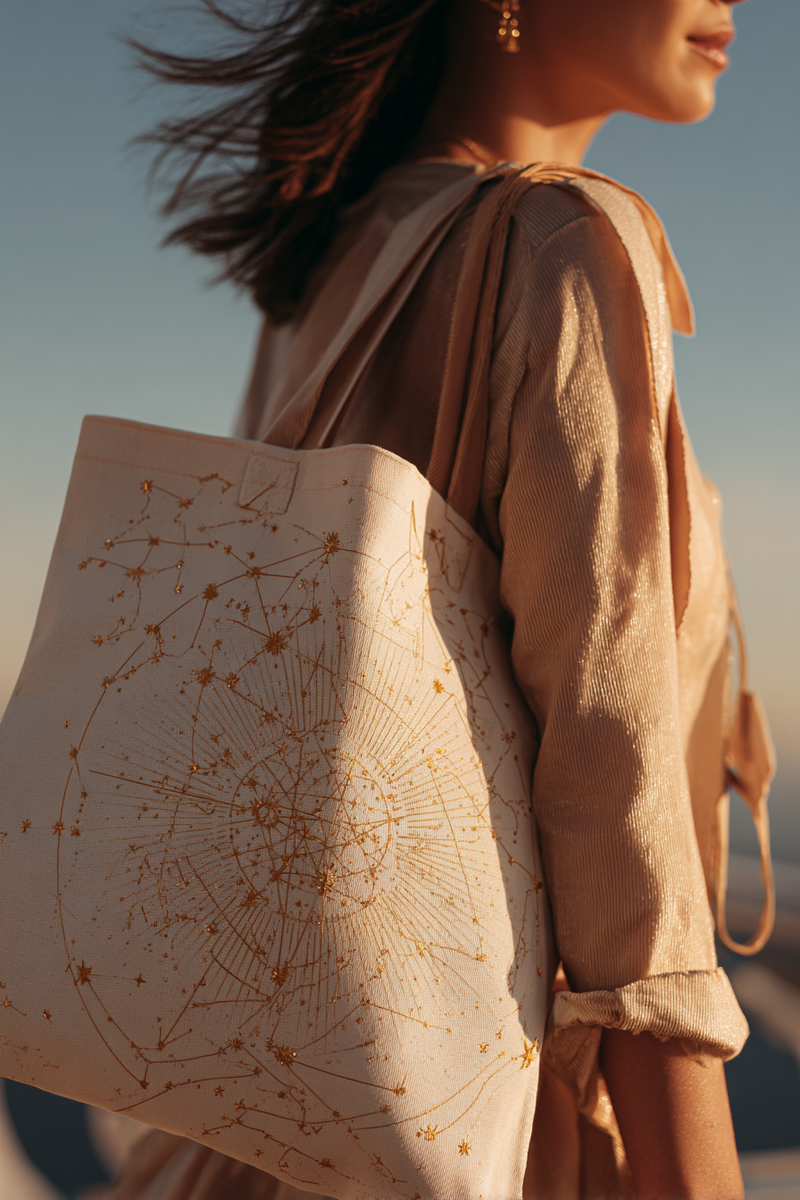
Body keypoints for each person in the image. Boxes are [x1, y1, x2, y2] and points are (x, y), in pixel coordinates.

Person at [95, 1, 760, 1197]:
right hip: (487, 1131)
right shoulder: (563, 241)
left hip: (275, 1122)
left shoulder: (339, 251)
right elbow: (616, 808)